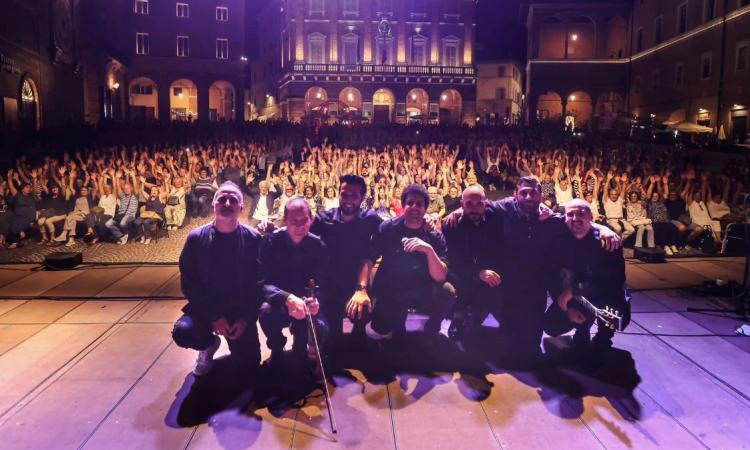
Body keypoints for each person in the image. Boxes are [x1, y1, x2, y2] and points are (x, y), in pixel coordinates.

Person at [172, 181, 263, 376]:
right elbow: (189, 283)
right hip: (207, 309)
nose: (227, 203)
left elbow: (258, 284)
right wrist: (214, 316)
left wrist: (246, 319)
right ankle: (207, 344)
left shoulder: (254, 239)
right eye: (222, 199)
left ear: (241, 207)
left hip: (238, 312)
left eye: (233, 199)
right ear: (214, 205)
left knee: (250, 366)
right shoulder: (196, 239)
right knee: (184, 332)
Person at [544, 199, 629, 358]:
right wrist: (567, 306)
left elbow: (613, 280)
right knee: (551, 325)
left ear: (591, 216)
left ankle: (604, 337)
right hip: (577, 296)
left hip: (603, 294)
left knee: (616, 310)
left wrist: (574, 290)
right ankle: (582, 330)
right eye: (570, 214)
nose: (576, 218)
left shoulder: (608, 242)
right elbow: (552, 277)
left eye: (581, 213)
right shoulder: (558, 240)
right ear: (564, 218)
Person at [369, 184, 455, 340]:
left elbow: (440, 277)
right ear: (403, 205)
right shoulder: (388, 228)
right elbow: (370, 257)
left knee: (447, 291)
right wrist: (364, 290)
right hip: (394, 287)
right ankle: (397, 327)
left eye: (419, 204)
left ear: (425, 208)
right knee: (380, 327)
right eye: (410, 203)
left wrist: (429, 250)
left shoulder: (434, 235)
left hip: (423, 288)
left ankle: (432, 328)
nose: (414, 207)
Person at [258, 197, 328, 366]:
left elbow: (324, 283)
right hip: (279, 302)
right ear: (284, 220)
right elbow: (261, 282)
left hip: (306, 301)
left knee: (321, 327)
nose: (299, 226)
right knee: (266, 312)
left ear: (311, 219)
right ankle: (277, 348)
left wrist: (316, 300)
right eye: (293, 221)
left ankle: (301, 348)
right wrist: (287, 298)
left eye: (304, 220)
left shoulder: (318, 246)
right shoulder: (270, 241)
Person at [441, 185, 502, 339]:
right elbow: (453, 259)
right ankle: (458, 318)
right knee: (454, 280)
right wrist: (477, 272)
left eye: (479, 204)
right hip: (463, 273)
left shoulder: (497, 219)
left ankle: (479, 316)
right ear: (461, 204)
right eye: (469, 204)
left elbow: (517, 202)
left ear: (486, 204)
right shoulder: (451, 225)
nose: (474, 208)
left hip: (489, 270)